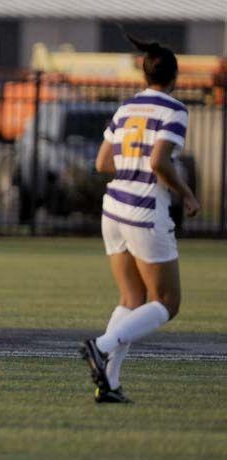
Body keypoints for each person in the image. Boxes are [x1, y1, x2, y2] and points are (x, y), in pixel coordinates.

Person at [80, 35, 200, 403]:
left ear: (145, 75)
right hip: (144, 211)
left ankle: (110, 384)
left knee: (132, 298)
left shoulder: (125, 109)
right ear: (174, 76)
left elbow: (102, 162)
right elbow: (159, 162)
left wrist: (130, 167)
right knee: (167, 302)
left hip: (113, 209)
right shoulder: (174, 110)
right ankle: (101, 346)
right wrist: (188, 194)